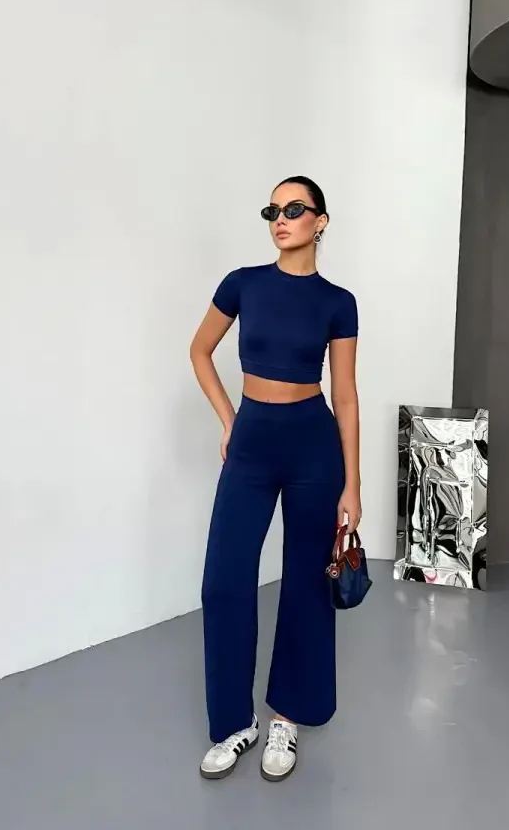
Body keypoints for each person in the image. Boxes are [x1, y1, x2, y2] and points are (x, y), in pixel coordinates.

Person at [189, 176, 361, 782]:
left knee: (307, 582)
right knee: (224, 580)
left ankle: (287, 716)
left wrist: (353, 485)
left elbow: (345, 393)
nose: (280, 219)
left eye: (294, 209)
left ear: (321, 221)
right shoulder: (243, 283)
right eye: (272, 210)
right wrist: (229, 418)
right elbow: (200, 350)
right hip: (253, 441)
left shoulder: (338, 302)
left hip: (314, 443)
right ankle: (233, 724)